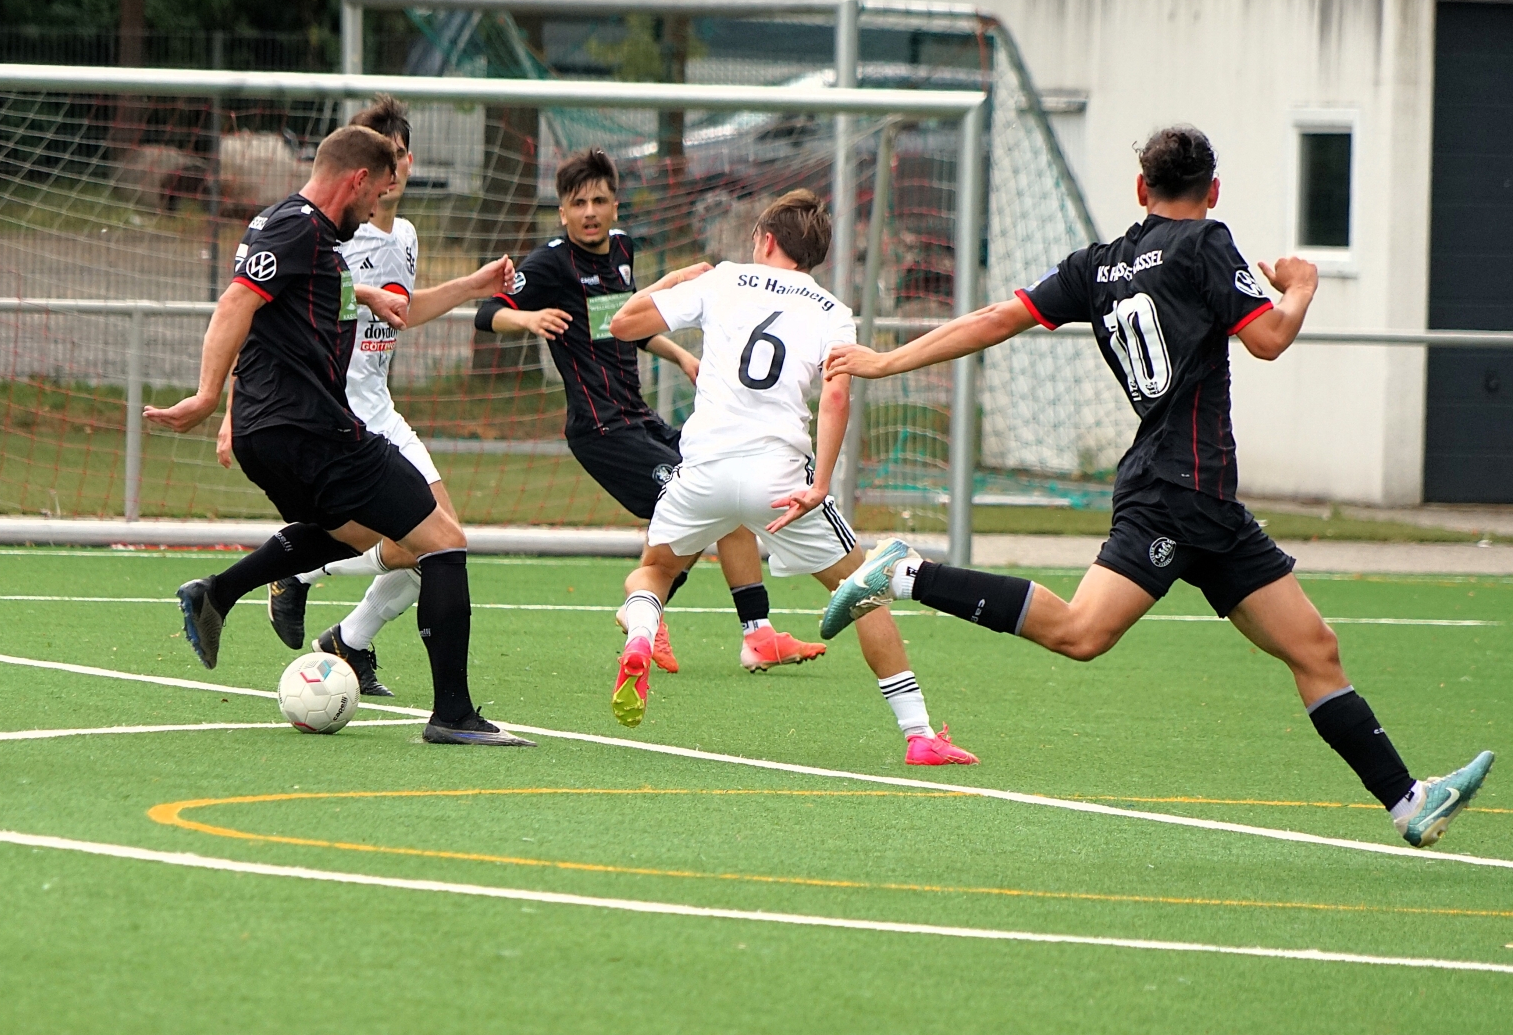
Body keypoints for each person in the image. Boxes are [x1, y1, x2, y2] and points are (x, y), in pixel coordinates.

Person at [822, 126, 1493, 846]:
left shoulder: (1098, 266)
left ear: (1142, 189)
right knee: (1081, 632)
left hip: (1204, 500)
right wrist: (1301, 288)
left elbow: (995, 319)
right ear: (1213, 191)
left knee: (1314, 648)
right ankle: (907, 574)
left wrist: (885, 362)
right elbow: (1268, 340)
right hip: (1178, 490)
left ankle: (1408, 802)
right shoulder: (1206, 242)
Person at [145, 124, 533, 747]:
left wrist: (366, 293)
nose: (376, 206)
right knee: (442, 541)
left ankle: (220, 592)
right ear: (357, 180)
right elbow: (236, 304)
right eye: (375, 193)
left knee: (354, 536)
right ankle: (453, 715)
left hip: (271, 437)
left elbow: (289, 295)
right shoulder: (300, 227)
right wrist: (208, 396)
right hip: (310, 428)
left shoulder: (295, 228)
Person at [602, 190, 978, 764]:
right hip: (777, 479)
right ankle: (919, 734)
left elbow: (622, 323)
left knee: (654, 571)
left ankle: (639, 635)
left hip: (703, 469)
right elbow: (836, 395)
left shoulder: (723, 279)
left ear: (767, 240)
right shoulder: (831, 310)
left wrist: (673, 279)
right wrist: (821, 483)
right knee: (866, 591)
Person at [474, 150, 828, 674]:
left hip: (637, 417)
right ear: (562, 211)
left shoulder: (622, 249)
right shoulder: (550, 264)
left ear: (615, 205)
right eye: (578, 203)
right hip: (601, 430)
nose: (589, 212)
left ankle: (757, 635)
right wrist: (527, 321)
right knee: (694, 501)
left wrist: (681, 355)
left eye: (599, 201)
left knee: (724, 492)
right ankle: (648, 614)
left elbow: (626, 325)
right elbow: (487, 312)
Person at [250, 95, 513, 697]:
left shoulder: (407, 235)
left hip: (381, 407)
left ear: (408, 162)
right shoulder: (330, 231)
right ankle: (301, 576)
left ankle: (345, 636)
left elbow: (402, 311)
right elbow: (268, 314)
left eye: (395, 157)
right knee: (426, 544)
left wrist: (473, 285)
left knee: (442, 543)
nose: (385, 173)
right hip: (336, 411)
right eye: (375, 159)